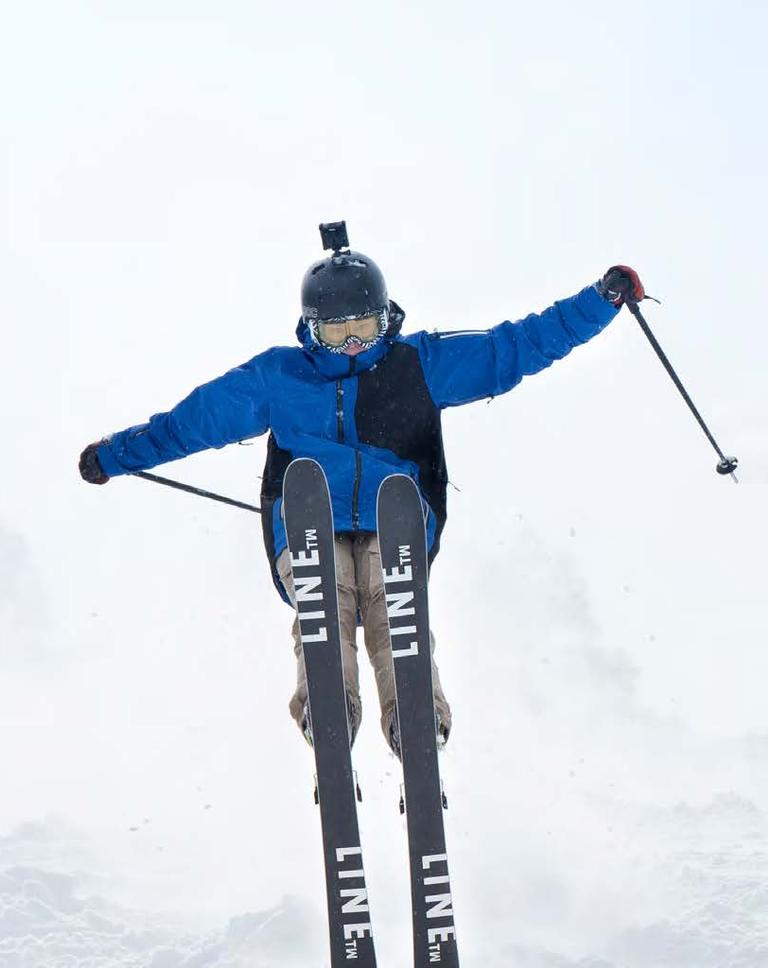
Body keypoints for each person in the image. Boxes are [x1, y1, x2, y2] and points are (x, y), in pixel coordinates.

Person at [79, 224, 643, 755]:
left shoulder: (420, 365)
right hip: (307, 522)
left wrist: (601, 301)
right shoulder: (278, 377)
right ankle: (330, 709)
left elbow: (512, 348)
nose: (350, 345)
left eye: (363, 330)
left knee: (390, 602)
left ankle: (415, 715)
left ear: (384, 320)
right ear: (309, 329)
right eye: (335, 332)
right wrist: (115, 454)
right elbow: (189, 423)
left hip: (392, 521)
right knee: (324, 598)